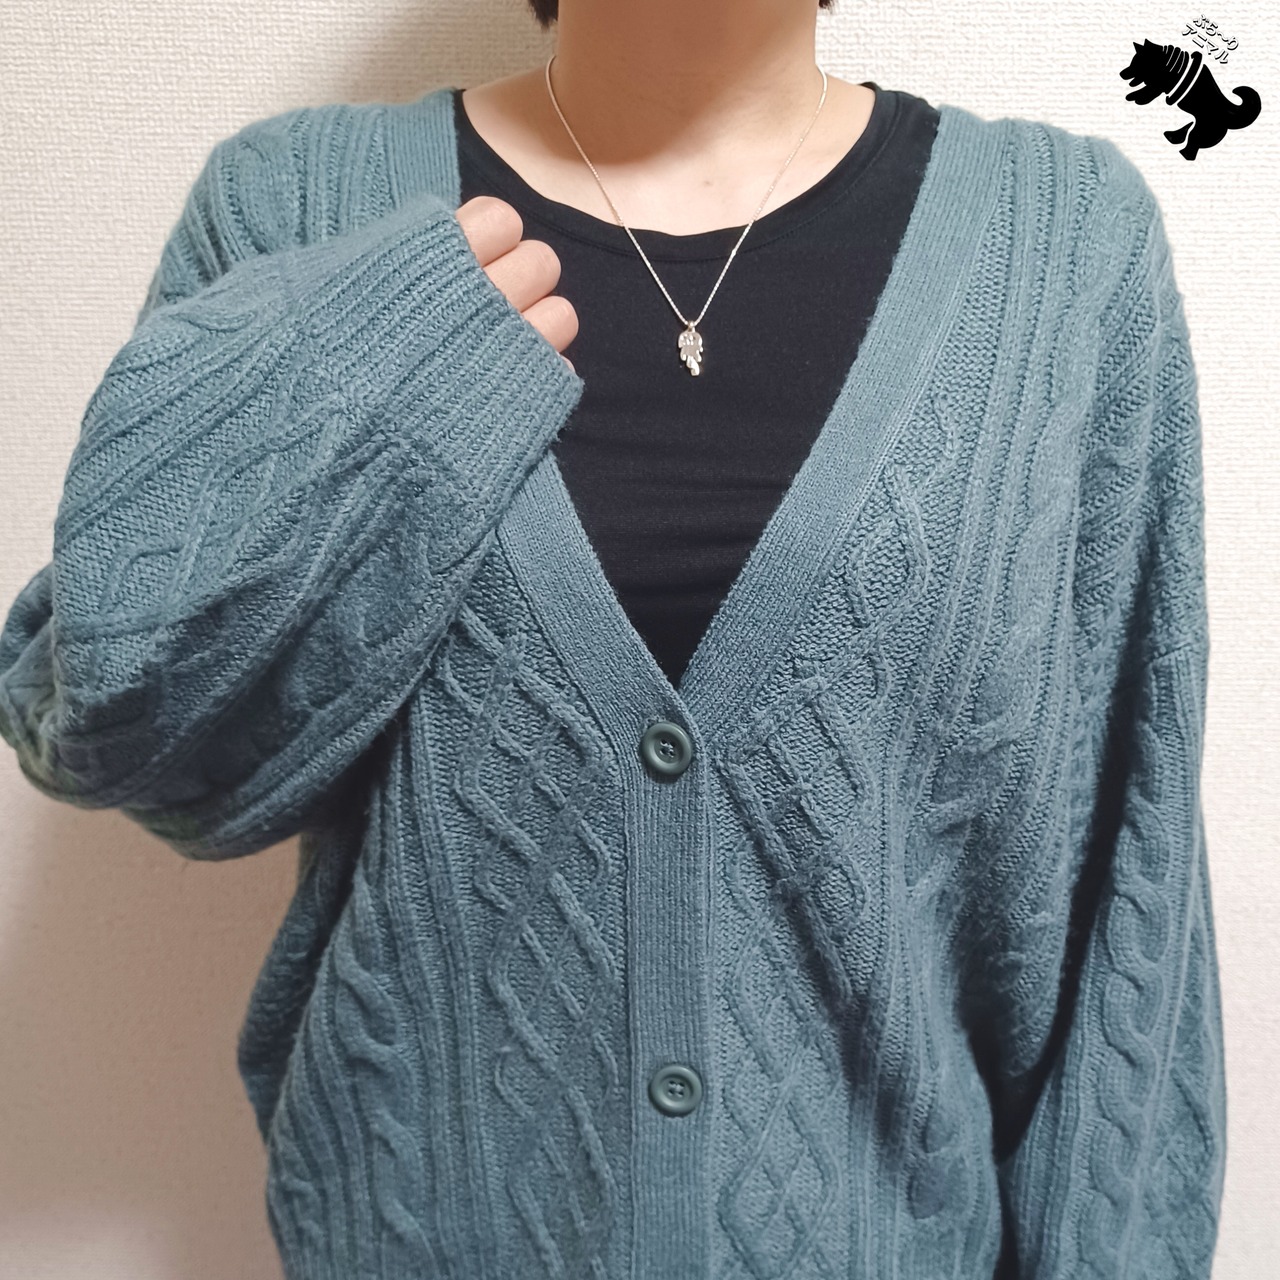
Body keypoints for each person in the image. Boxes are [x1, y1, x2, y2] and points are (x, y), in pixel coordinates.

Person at [0, 1, 1227, 1277]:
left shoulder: (1064, 247)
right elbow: (125, 729)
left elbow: (1124, 880)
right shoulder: (296, 205)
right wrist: (388, 369)